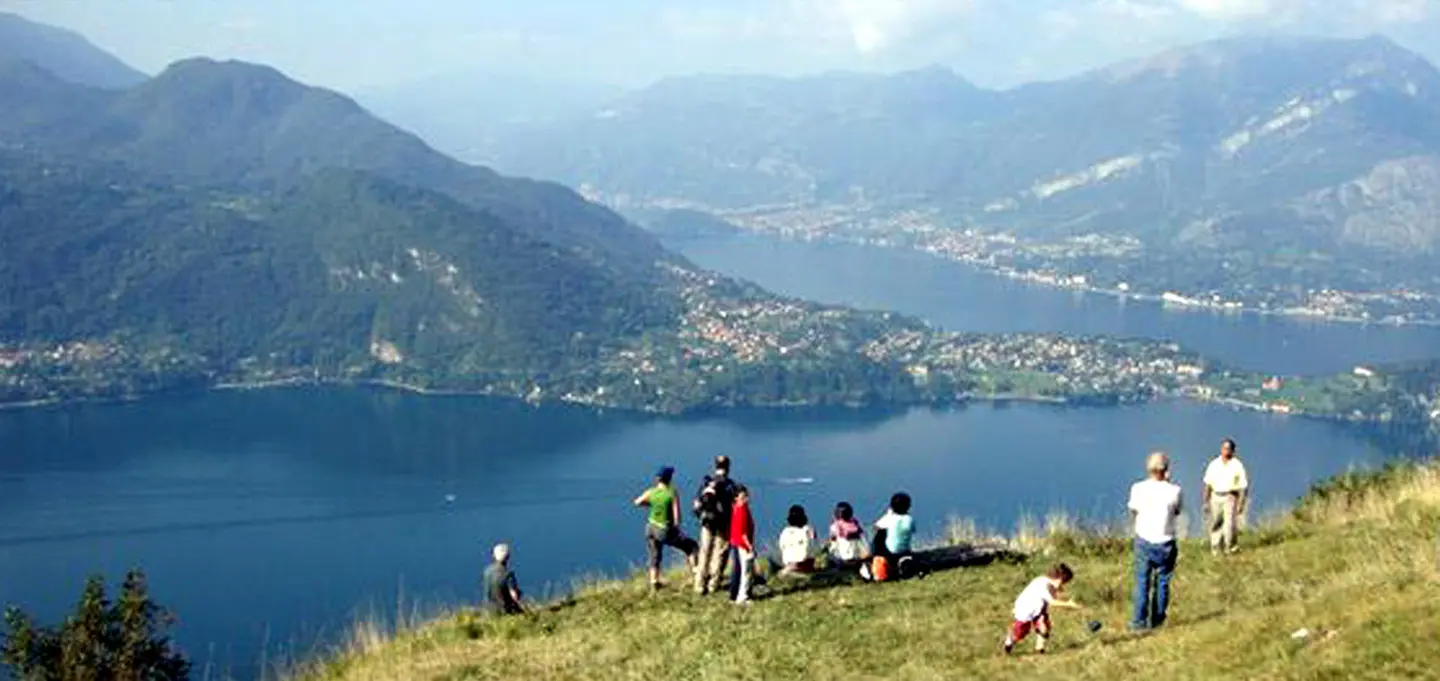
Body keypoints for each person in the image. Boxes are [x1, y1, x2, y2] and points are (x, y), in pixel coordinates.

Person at [1129, 451, 1182, 630]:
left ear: (1148, 468)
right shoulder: (1174, 490)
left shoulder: (1138, 488)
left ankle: (1138, 622)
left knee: (1142, 582)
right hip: (1166, 542)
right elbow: (1177, 511)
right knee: (1162, 582)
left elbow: (1134, 511)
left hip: (1144, 540)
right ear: (1166, 469)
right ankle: (1157, 620)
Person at [634, 466, 697, 590]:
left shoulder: (651, 491)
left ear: (658, 479)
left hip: (650, 528)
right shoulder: (672, 493)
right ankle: (696, 577)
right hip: (664, 530)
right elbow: (677, 516)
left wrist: (651, 504)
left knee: (654, 555)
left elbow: (637, 502)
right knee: (691, 546)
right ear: (669, 478)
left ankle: (654, 583)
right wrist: (679, 532)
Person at [1003, 563, 1080, 655]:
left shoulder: (1049, 584)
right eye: (1063, 582)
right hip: (1025, 610)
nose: (1063, 585)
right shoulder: (1042, 585)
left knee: (1044, 626)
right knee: (1021, 633)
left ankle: (1040, 648)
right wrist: (1068, 604)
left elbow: (1053, 595)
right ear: (1058, 579)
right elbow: (1053, 602)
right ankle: (1010, 641)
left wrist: (1059, 593)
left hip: (1038, 609)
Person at [692, 455, 738, 594]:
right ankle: (713, 584)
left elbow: (697, 504)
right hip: (723, 524)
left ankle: (699, 585)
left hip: (707, 522)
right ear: (728, 467)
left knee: (704, 552)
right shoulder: (730, 485)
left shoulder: (707, 483)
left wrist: (701, 516)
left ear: (715, 466)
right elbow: (735, 505)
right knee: (720, 553)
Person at [1203, 438, 1249, 555]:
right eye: (1224, 448)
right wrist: (1206, 501)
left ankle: (1230, 548)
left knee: (1229, 524)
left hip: (1230, 496)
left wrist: (1241, 503)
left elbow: (1243, 486)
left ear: (1233, 451)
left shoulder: (1237, 465)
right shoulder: (1214, 464)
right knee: (1216, 523)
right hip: (1215, 496)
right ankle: (1215, 548)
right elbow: (1207, 483)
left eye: (1228, 449)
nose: (1226, 451)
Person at [863, 492, 917, 581]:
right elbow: (912, 530)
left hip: (889, 552)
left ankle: (875, 557)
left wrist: (888, 514)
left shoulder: (890, 518)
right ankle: (903, 564)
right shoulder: (910, 519)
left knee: (881, 533)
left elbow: (876, 527)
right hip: (905, 550)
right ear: (908, 506)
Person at [728, 485, 756, 604]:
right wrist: (750, 547)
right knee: (745, 571)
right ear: (736, 497)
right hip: (742, 544)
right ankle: (742, 597)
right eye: (743, 496)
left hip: (738, 542)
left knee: (745, 571)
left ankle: (742, 595)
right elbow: (742, 532)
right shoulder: (741, 510)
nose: (747, 497)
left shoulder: (740, 508)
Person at [483, 543, 525, 615]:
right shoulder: (508, 574)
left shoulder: (487, 571)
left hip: (489, 610)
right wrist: (518, 592)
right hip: (505, 611)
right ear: (508, 557)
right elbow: (515, 596)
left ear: (494, 556)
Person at [778, 505, 817, 573]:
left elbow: (781, 546)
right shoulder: (808, 530)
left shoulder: (785, 531)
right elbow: (812, 548)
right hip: (803, 564)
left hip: (788, 563)